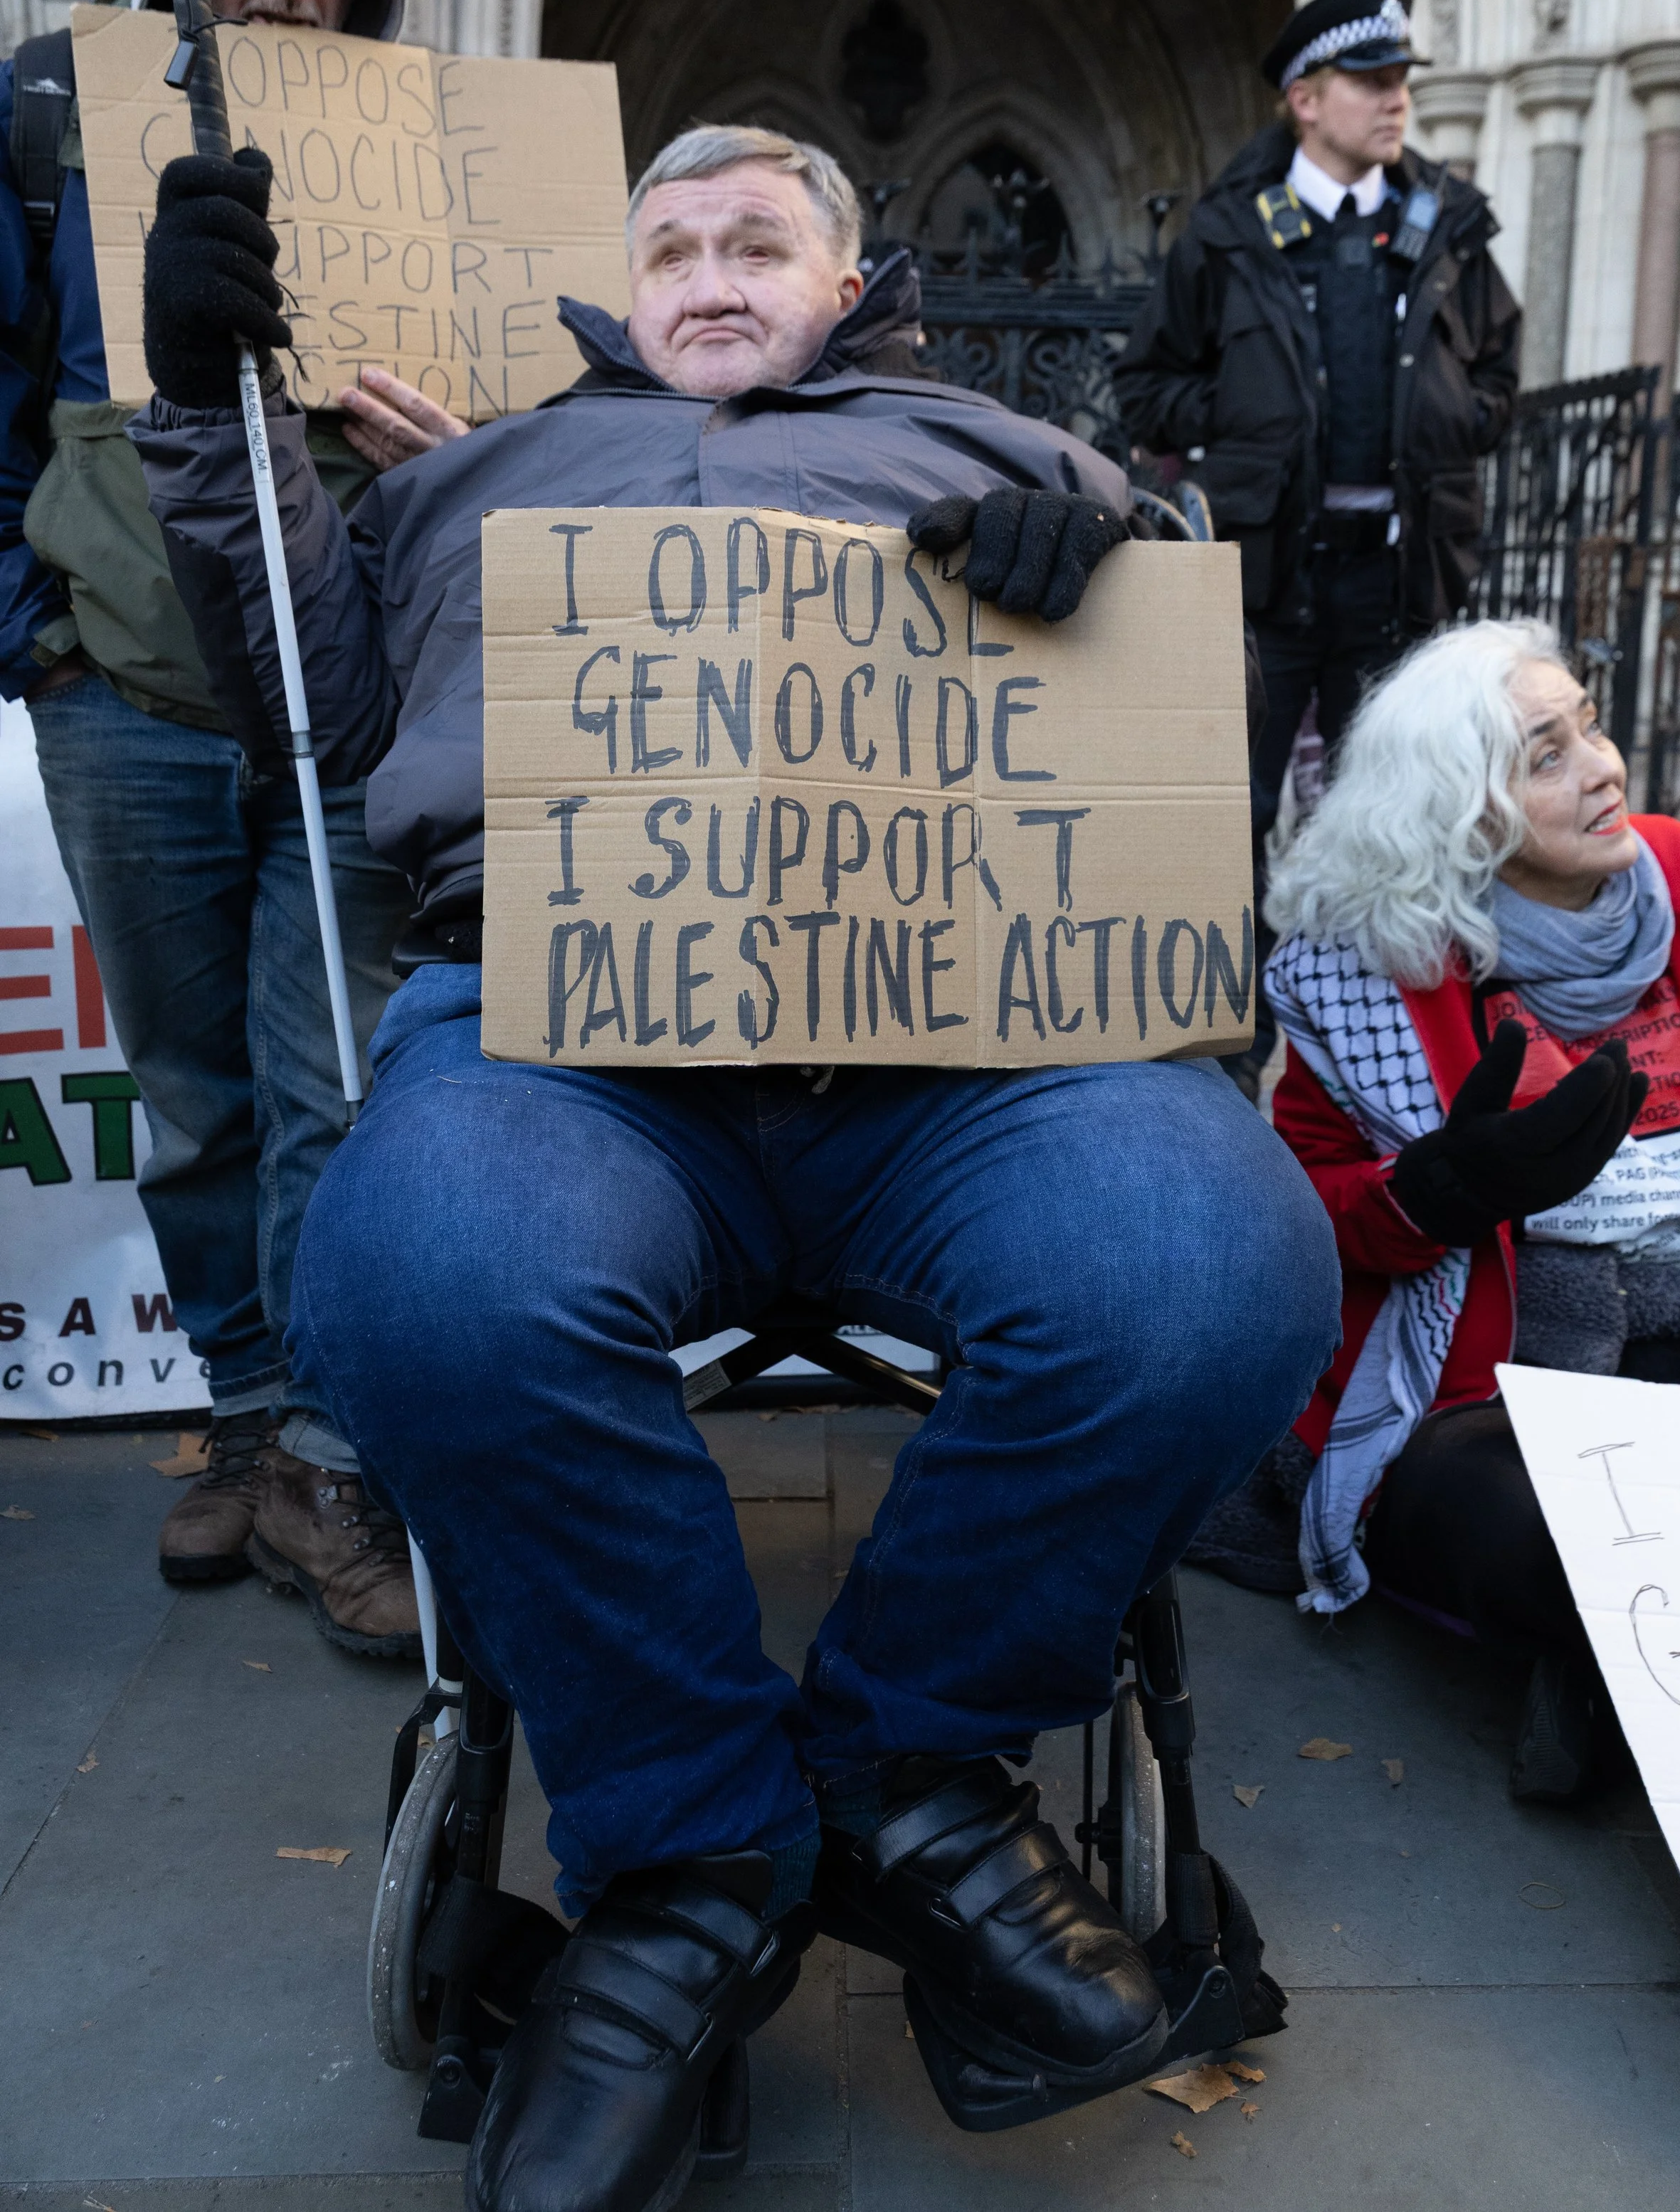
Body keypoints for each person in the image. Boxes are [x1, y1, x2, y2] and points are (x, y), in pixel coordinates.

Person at [132, 117, 1341, 2211]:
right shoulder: (476, 471)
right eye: (670, 242)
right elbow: (304, 709)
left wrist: (1108, 553)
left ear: (844, 282)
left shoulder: (1000, 447)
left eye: (756, 239)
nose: (707, 269)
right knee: (418, 1268)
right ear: (621, 288)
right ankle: (692, 1849)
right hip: (566, 1036)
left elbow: (1157, 740)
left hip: (966, 1056)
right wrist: (197, 396)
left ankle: (899, 1758)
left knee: (1213, 1258)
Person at [0, 0, 466, 1652]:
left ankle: (336, 1458)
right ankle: (247, 1419)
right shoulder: (44, 111)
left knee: (335, 1088)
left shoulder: (434, 140)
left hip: (344, 702)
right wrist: (28, 620)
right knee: (190, 1097)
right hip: (128, 699)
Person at [1189, 618, 1680, 1804]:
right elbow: (1305, 1215)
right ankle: (1600, 1644)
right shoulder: (1379, 971)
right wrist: (1440, 1189)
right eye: (1546, 754)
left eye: (1591, 727)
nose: (1602, 765)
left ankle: (1601, 1674)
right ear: (1465, 811)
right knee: (1545, 1546)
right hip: (1495, 1395)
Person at [1114, 0, 1522, 1096]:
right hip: (1265, 579)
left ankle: (1373, 1055)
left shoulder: (1448, 222)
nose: (1397, 102)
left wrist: (1452, 418)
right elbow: (1149, 387)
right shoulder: (1231, 234)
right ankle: (1220, 1047)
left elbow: (1498, 372)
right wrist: (1247, 430)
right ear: (1306, 98)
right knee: (1231, 812)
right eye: (1373, 82)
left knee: (1391, 825)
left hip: (1399, 580)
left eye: (1402, 82)